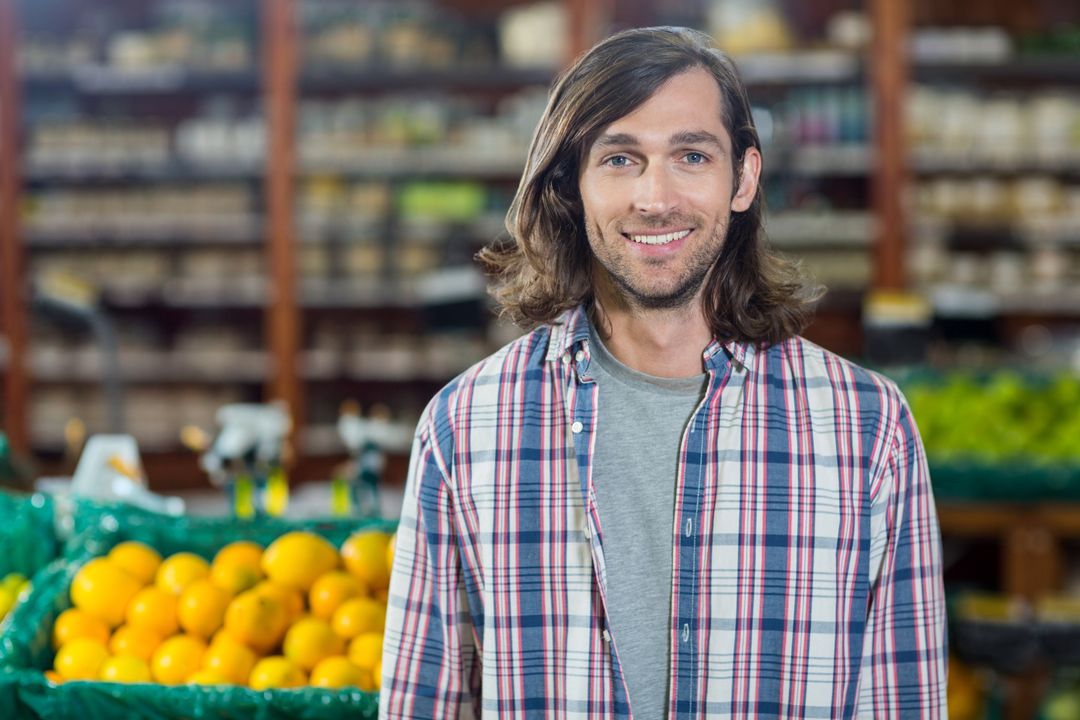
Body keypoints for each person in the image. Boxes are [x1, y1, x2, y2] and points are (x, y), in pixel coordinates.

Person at [380, 26, 947, 719]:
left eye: (690, 155)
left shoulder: (869, 430)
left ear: (743, 179)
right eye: (620, 158)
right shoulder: (465, 427)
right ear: (571, 186)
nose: (655, 197)